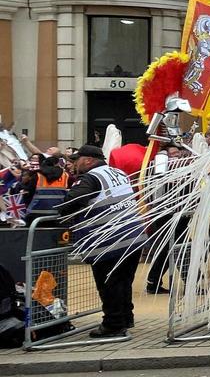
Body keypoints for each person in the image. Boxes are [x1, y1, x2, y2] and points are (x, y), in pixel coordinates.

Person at [53, 145, 144, 338]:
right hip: (133, 237)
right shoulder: (118, 173)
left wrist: (62, 209)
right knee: (123, 282)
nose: (73, 164)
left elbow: (70, 201)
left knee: (109, 284)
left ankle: (113, 326)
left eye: (76, 160)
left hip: (109, 241)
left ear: (88, 160)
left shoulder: (90, 178)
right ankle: (126, 318)